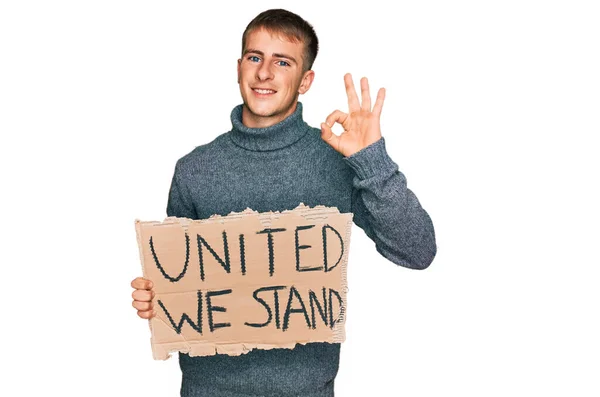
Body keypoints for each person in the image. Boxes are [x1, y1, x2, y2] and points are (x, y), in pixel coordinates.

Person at [131, 8, 436, 397]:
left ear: (305, 80)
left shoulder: (336, 161)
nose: (265, 73)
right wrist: (157, 299)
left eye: (283, 62)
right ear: (239, 66)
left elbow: (418, 250)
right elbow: (184, 286)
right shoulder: (194, 169)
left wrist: (372, 159)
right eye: (255, 57)